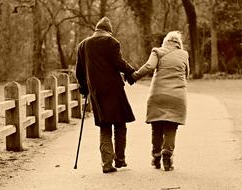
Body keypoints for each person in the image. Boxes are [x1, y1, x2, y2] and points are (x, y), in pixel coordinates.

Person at [75, 17, 135, 173]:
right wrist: (131, 71)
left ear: (96, 30)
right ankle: (120, 160)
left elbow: (79, 72)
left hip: (96, 91)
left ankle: (107, 163)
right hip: (114, 89)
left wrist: (83, 88)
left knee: (104, 126)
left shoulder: (83, 45)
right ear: (109, 31)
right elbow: (118, 62)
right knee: (120, 124)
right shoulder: (111, 42)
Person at [130, 31, 190, 171]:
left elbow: (149, 67)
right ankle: (167, 154)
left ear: (165, 41)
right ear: (178, 43)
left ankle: (156, 156)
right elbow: (187, 74)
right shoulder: (184, 54)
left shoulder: (157, 51)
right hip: (177, 96)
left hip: (157, 95)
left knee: (156, 126)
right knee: (171, 126)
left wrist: (133, 77)